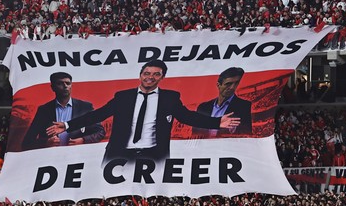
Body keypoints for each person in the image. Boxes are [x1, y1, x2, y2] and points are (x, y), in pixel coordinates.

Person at [47, 60, 240, 161]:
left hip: (154, 155)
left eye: (156, 74)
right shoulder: (123, 97)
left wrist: (217, 122)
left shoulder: (170, 98)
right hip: (119, 153)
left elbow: (188, 117)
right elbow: (98, 115)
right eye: (147, 73)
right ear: (140, 75)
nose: (150, 77)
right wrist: (66, 124)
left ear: (162, 77)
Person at [22, 72, 105, 150]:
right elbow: (27, 142)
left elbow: (100, 132)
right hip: (50, 158)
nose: (65, 86)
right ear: (53, 87)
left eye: (68, 83)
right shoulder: (44, 110)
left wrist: (83, 140)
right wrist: (46, 142)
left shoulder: (85, 107)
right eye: (60, 83)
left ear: (71, 86)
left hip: (78, 156)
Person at [194, 67, 252, 138]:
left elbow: (246, 135)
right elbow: (195, 135)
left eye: (236, 83)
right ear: (218, 85)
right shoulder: (203, 107)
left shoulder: (244, 106)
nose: (232, 87)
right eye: (228, 84)